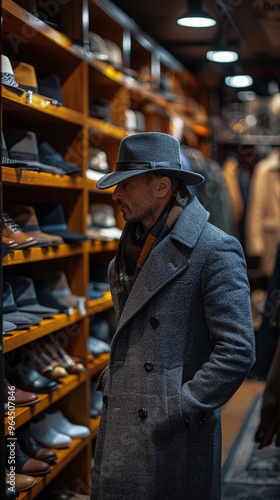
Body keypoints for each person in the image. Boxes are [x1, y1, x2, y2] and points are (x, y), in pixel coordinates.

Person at [90, 132, 256, 500]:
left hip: (173, 437)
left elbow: (238, 350)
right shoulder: (128, 248)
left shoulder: (214, 250)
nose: (115, 195)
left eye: (126, 186)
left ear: (162, 186)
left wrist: (179, 406)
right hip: (125, 417)